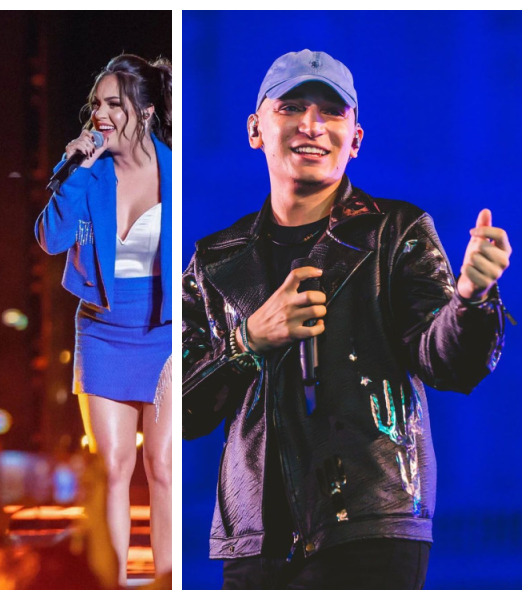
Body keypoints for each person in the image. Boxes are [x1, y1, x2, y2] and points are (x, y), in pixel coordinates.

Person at [181, 50, 512, 589]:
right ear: (255, 129)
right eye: (291, 107)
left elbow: (449, 363)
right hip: (254, 539)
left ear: (355, 139)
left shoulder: (396, 232)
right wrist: (249, 339)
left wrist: (471, 300)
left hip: (372, 526)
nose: (311, 125)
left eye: (331, 113)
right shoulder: (216, 260)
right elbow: (182, 412)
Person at [35, 53, 172, 586]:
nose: (101, 115)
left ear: (147, 110)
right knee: (112, 466)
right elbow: (51, 240)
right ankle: (109, 585)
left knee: (161, 466)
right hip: (102, 330)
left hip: (164, 332)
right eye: (96, 104)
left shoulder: (176, 170)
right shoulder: (86, 175)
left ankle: (166, 582)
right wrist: (73, 173)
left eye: (114, 103)